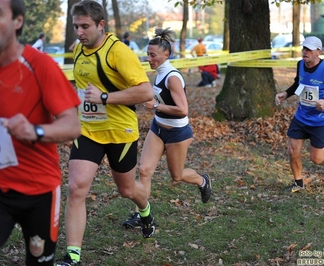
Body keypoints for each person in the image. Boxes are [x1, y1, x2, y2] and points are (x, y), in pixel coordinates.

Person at [0, 0, 81, 265]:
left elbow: (72, 126)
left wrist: (35, 130)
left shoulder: (40, 66)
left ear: (18, 21)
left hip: (38, 191)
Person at [57, 1, 155, 265]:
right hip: (88, 129)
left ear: (101, 25)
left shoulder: (118, 52)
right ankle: (72, 256)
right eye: (76, 26)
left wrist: (104, 96)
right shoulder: (79, 48)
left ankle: (145, 210)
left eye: (85, 26)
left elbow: (146, 92)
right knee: (76, 187)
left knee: (126, 190)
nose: (79, 32)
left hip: (120, 133)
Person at [122, 28, 212, 229]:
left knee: (177, 176)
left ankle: (202, 181)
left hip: (177, 133)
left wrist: (155, 106)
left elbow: (182, 109)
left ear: (166, 55)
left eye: (153, 55)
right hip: (157, 128)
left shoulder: (172, 77)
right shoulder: (158, 74)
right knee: (144, 170)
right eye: (148, 54)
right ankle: (141, 216)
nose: (149, 59)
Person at [275, 36, 324, 193]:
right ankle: (298, 183)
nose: (305, 52)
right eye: (304, 48)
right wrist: (286, 94)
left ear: (318, 52)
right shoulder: (300, 64)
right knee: (293, 150)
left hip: (321, 120)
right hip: (302, 116)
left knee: (317, 159)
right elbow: (298, 84)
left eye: (309, 49)